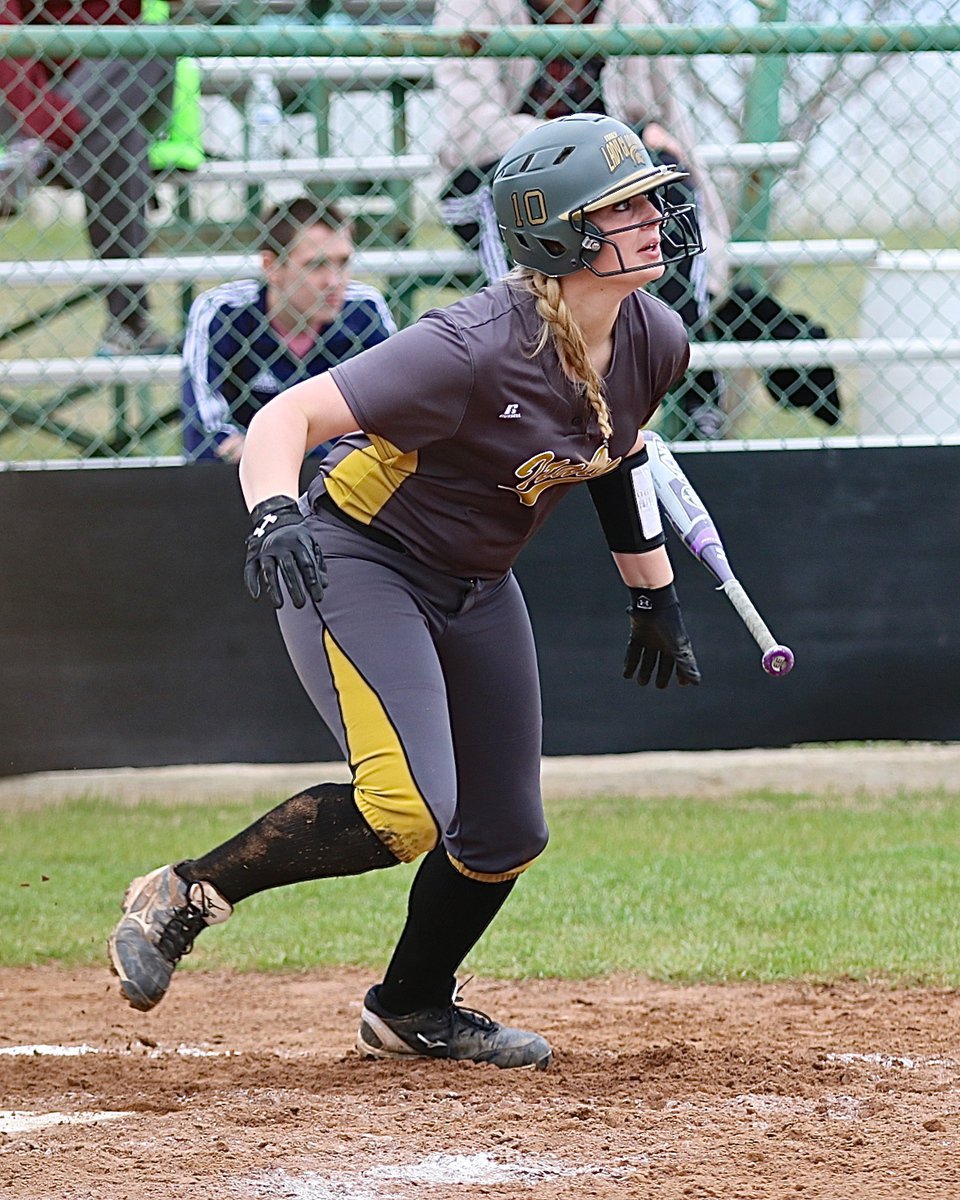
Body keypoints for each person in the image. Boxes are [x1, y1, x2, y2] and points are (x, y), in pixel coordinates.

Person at [108, 113, 703, 1071]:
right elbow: (287, 414)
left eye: (648, 201)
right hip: (359, 555)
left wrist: (653, 593)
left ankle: (411, 1008)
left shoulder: (653, 336)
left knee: (507, 829)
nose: (651, 219)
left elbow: (618, 452)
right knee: (404, 807)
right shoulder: (469, 346)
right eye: (621, 207)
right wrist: (271, 512)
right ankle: (184, 892)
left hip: (476, 581)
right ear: (558, 236)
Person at [432, 0, 731, 440]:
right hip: (505, 173)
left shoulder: (633, 9)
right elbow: (469, 131)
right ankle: (528, 387)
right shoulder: (471, 7)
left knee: (669, 189)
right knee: (507, 208)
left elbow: (667, 123)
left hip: (608, 180)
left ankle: (692, 396)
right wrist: (585, 142)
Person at [0, 0, 174, 355]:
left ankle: (38, 153)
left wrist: (49, 135)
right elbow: (9, 57)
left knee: (154, 43)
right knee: (122, 137)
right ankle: (129, 322)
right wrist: (46, 123)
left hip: (68, 124)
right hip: (22, 114)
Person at [181, 196, 397, 463]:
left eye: (343, 262)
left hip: (342, 487)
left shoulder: (366, 310)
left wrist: (266, 449)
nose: (334, 281)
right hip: (238, 491)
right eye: (316, 265)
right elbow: (205, 436)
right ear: (271, 267)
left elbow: (392, 422)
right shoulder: (222, 311)